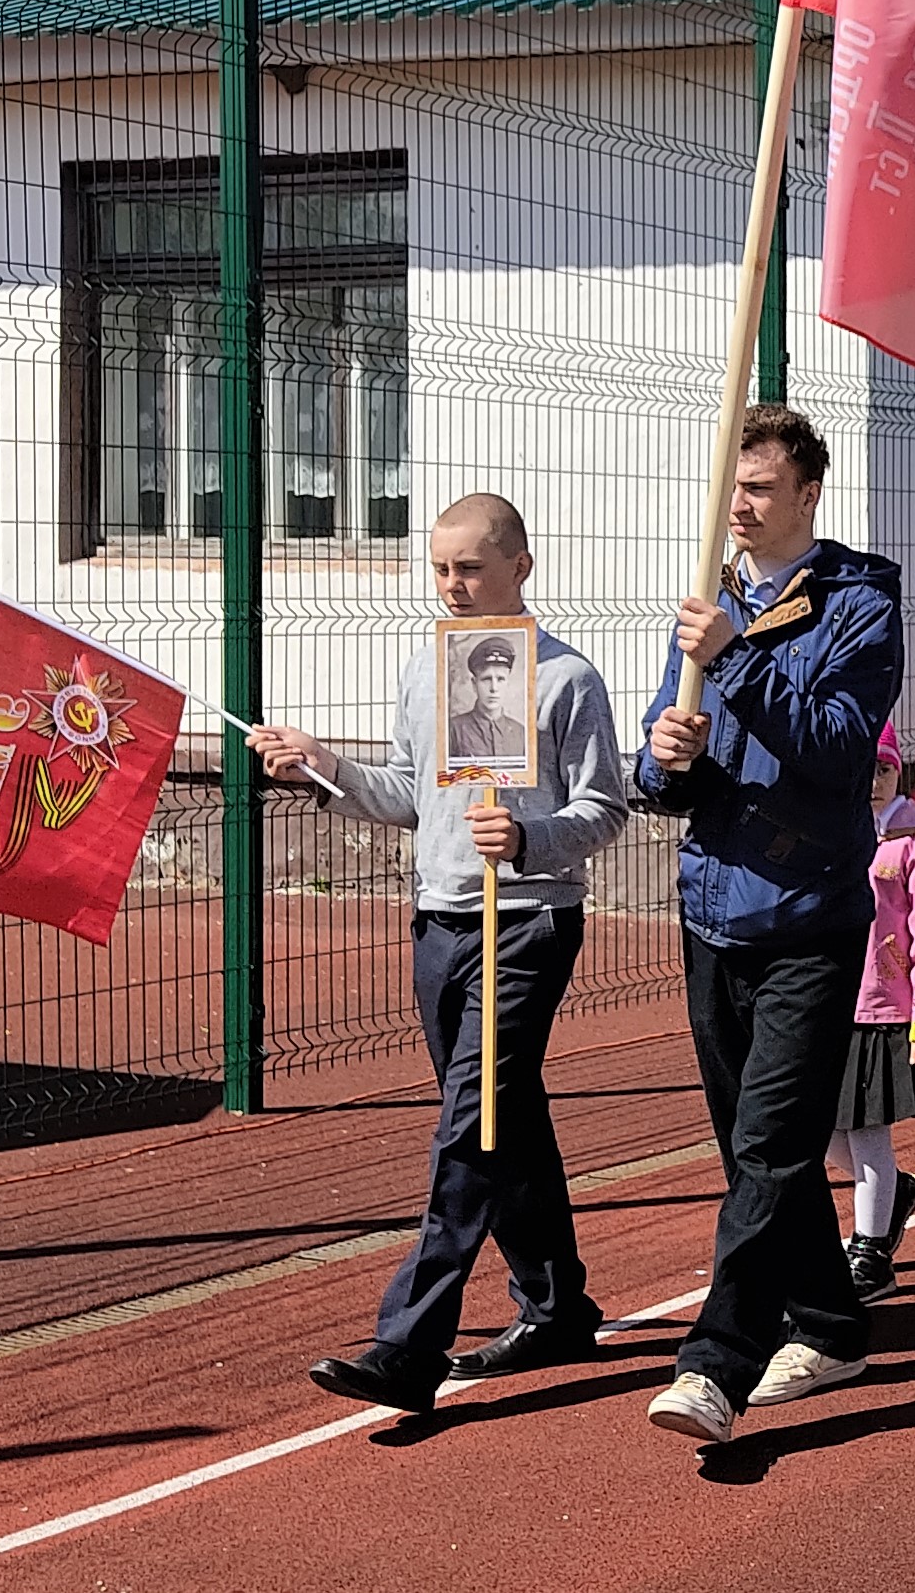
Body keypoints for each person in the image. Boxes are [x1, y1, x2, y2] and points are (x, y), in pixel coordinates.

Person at [264, 494, 634, 1415]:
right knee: (509, 1124)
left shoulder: (565, 681)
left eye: (469, 568)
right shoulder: (433, 672)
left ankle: (408, 1343)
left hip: (528, 926)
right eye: (440, 568)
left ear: (520, 568)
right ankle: (556, 1308)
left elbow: (606, 807)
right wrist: (326, 767)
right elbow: (405, 793)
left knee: (471, 1129)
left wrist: (529, 836)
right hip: (439, 922)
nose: (452, 586)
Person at [629, 407, 906, 1444]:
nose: (735, 506)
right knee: (760, 1157)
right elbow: (666, 779)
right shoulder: (711, 607)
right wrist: (666, 756)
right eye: (727, 487)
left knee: (769, 1145)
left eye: (754, 488)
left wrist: (736, 656)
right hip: (712, 909)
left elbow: (839, 747)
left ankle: (715, 1360)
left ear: (805, 495)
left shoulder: (860, 598)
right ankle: (832, 1323)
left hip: (810, 914)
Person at [834, 725, 915, 1303]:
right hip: (829, 1000)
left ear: (898, 771)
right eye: (863, 769)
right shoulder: (835, 832)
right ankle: (893, 1192)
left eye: (883, 769)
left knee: (866, 1130)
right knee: (818, 1127)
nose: (874, 782)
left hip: (885, 1009)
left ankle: (870, 1251)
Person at [448, 632, 531, 764]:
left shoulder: (521, 733)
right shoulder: (453, 729)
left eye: (500, 679)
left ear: (508, 683)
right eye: (486, 679)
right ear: (474, 684)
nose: (494, 688)